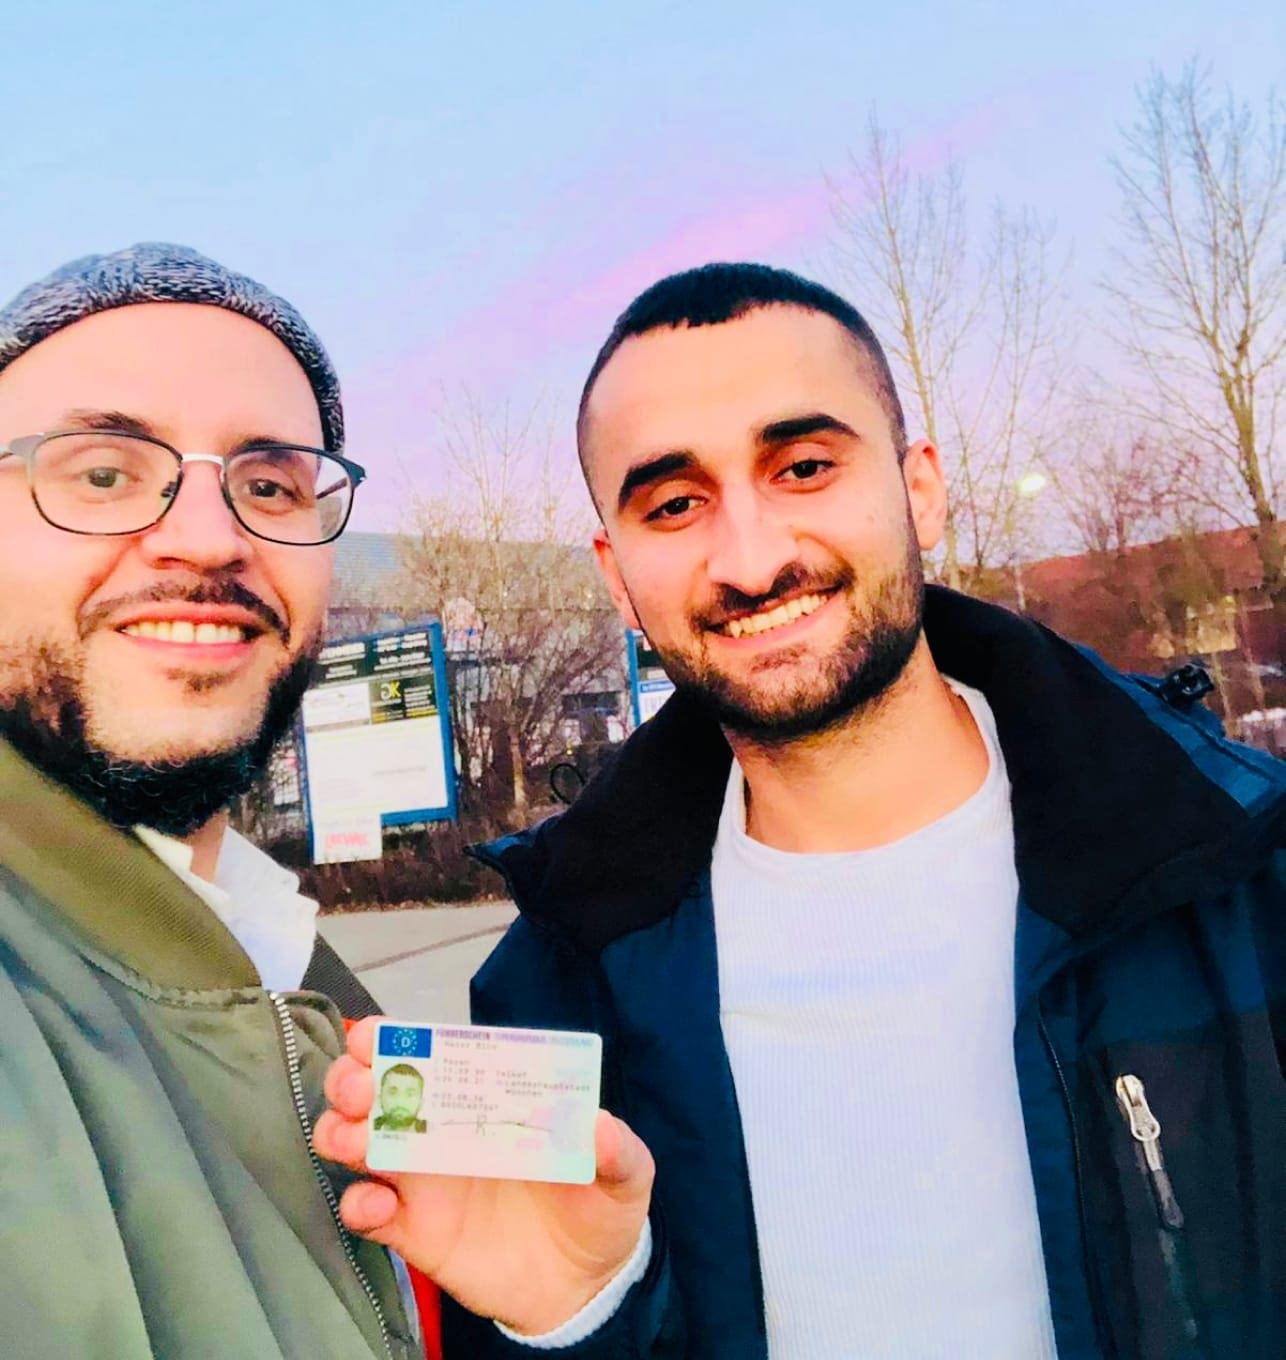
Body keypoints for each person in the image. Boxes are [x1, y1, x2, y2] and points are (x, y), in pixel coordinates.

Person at [321, 263, 1286, 1359]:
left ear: (918, 489)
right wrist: (582, 1315)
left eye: (804, 466)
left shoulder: (1231, 876)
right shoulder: (554, 989)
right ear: (616, 577)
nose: (751, 556)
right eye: (674, 502)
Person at [0, 243, 653, 1360]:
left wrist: (562, 1314)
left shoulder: (296, 981)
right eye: (102, 472)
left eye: (267, 485)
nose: (211, 539)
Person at [375, 1065, 429, 1132]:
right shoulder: (367, 1127)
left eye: (410, 1094)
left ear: (421, 1102)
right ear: (379, 1099)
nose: (400, 1101)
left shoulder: (433, 1130)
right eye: (393, 1093)